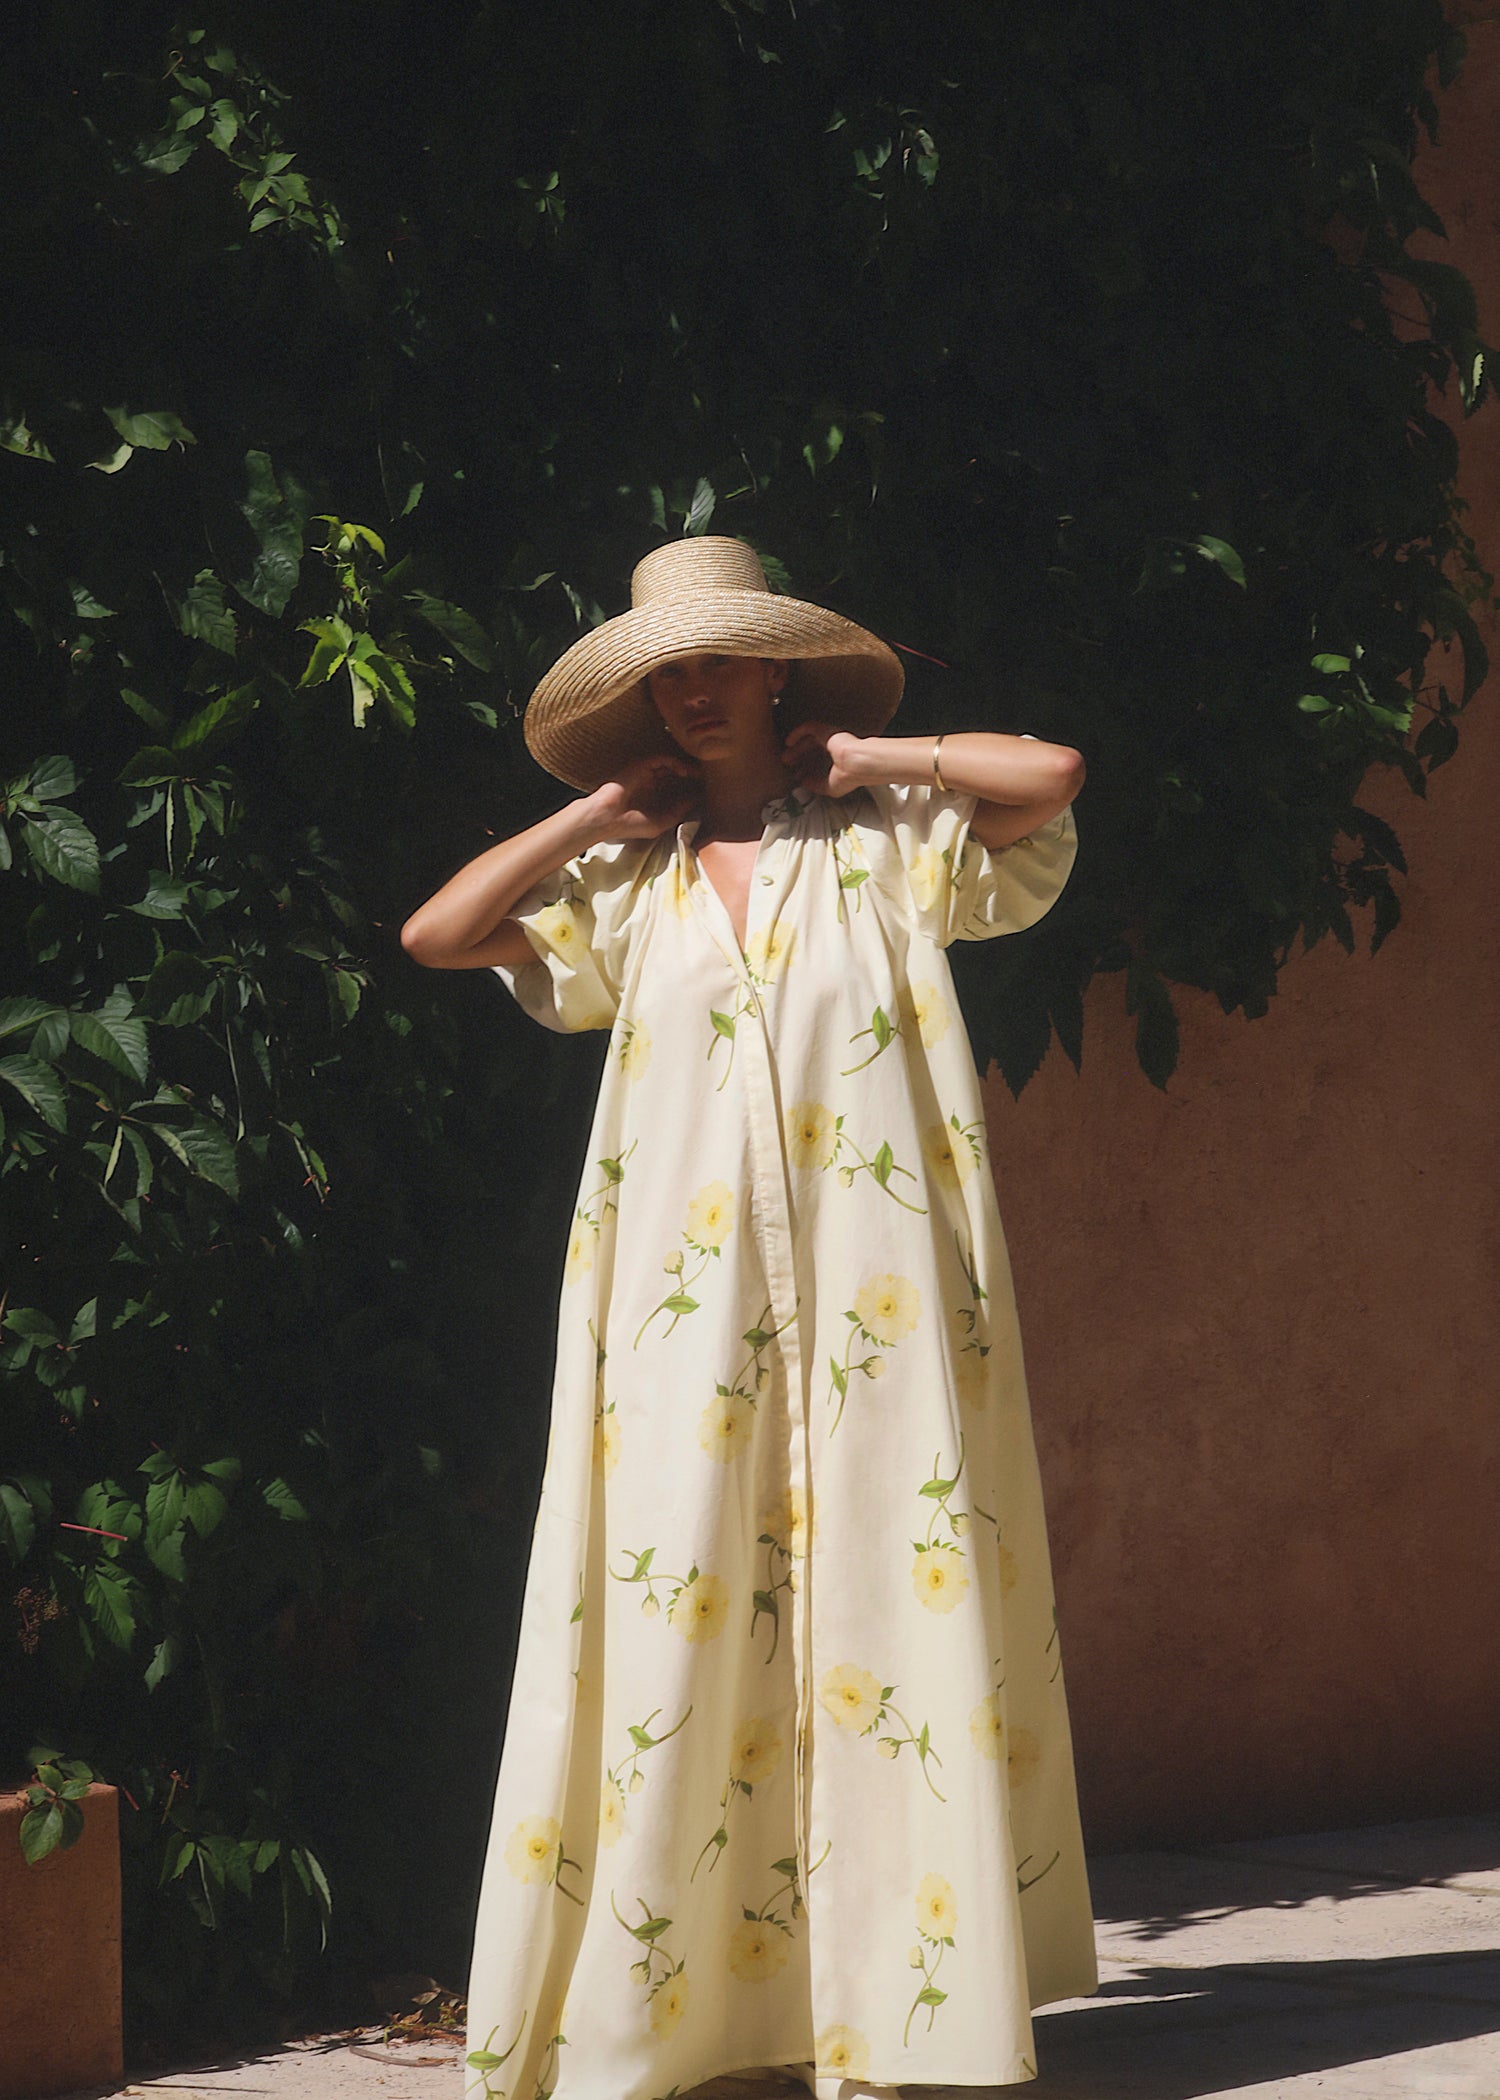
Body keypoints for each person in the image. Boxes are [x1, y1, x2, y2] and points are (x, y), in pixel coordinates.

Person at [401, 535, 1098, 2100]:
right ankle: (679, 2013)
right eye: (670, 673)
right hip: (680, 1319)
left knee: (888, 1611)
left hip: (876, 1307)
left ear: (779, 671)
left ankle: (899, 2010)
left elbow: (1050, 777)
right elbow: (437, 936)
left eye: (719, 660)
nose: (694, 690)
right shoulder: (626, 888)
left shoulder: (889, 841)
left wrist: (876, 757)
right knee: (676, 1611)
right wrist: (593, 815)